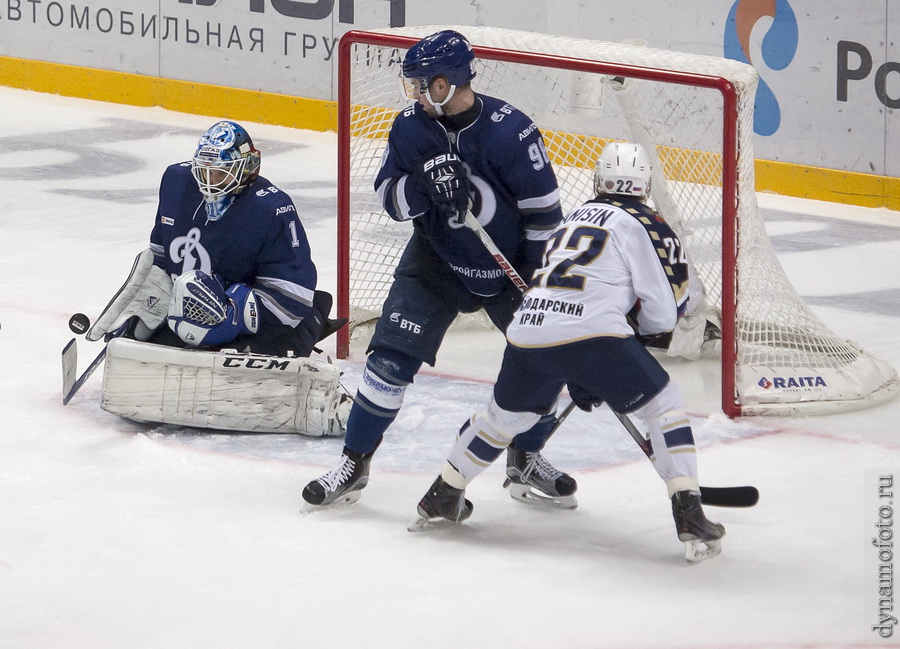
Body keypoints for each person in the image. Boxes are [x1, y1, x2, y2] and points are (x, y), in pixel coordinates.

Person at [411, 142, 726, 563]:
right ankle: (688, 510)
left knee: (502, 420)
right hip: (594, 335)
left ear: (599, 180)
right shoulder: (646, 223)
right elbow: (664, 313)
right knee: (663, 405)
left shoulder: (572, 218)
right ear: (645, 185)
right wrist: (622, 346)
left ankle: (442, 494)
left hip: (528, 331)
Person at [302, 29, 576, 508]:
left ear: (451, 80)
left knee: (549, 368)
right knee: (387, 362)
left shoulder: (511, 133)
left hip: (508, 266)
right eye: (412, 84)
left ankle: (525, 457)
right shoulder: (411, 126)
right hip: (436, 259)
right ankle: (354, 463)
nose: (416, 94)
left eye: (423, 83)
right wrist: (423, 187)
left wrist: (538, 281)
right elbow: (389, 198)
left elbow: (546, 217)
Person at [84, 120, 348, 437]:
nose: (209, 181)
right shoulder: (176, 181)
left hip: (258, 313)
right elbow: (161, 254)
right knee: (149, 341)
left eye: (220, 172)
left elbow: (293, 298)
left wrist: (233, 314)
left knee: (281, 341)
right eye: (204, 171)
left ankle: (310, 339)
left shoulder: (272, 208)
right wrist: (144, 304)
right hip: (190, 308)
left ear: (248, 167)